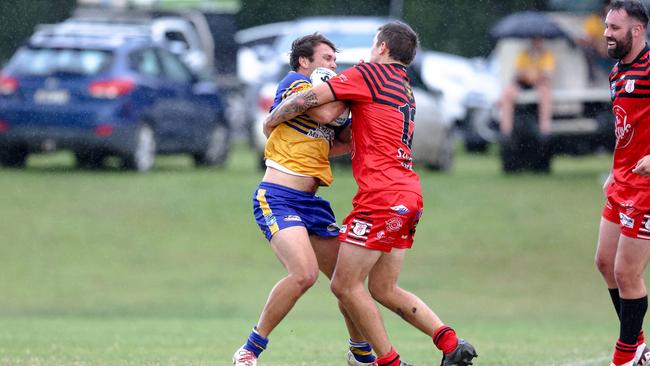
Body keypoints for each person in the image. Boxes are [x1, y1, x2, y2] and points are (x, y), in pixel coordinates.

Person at [263, 21, 477, 366]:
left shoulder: (371, 74)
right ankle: (451, 343)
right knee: (383, 288)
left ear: (382, 48)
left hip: (381, 195)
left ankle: (389, 362)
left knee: (344, 286)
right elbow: (351, 139)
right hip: (408, 193)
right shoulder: (403, 86)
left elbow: (313, 102)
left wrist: (271, 121)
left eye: (372, 44)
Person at [233, 33, 376, 366]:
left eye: (334, 59)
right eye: (326, 58)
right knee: (304, 274)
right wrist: (353, 86)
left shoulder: (328, 94)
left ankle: (360, 353)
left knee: (348, 281)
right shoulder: (296, 83)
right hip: (278, 197)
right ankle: (250, 349)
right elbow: (324, 115)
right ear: (304, 61)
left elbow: (340, 140)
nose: (333, 64)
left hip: (311, 204)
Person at [596, 1, 650, 365]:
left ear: (637, 30)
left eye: (615, 27)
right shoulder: (617, 72)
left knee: (626, 272)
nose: (606, 33)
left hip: (647, 189)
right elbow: (627, 127)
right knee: (604, 263)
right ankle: (640, 346)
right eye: (606, 26)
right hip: (623, 182)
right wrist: (616, 170)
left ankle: (625, 356)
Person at [499, 36, 555, 137]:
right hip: (523, 84)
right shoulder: (524, 55)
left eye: (538, 42)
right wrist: (528, 74)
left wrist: (535, 74)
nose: (536, 44)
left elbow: (547, 74)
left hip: (539, 84)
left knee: (546, 94)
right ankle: (506, 129)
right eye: (534, 42)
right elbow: (517, 74)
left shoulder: (546, 55)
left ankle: (544, 128)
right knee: (507, 94)